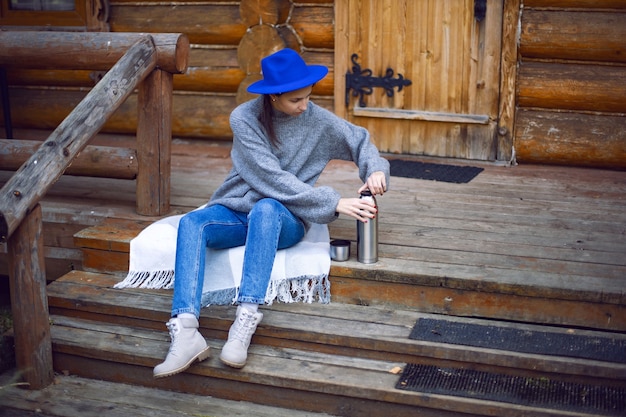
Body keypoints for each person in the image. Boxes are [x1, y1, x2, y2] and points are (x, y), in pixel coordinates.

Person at [153, 48, 389, 378]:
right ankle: (186, 330)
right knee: (192, 222)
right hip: (239, 210)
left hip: (286, 219)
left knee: (266, 209)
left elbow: (360, 141)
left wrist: (375, 170)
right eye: (296, 100)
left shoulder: (316, 120)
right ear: (273, 97)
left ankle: (245, 319)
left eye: (308, 96)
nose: (305, 106)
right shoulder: (244, 118)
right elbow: (268, 176)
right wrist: (333, 201)